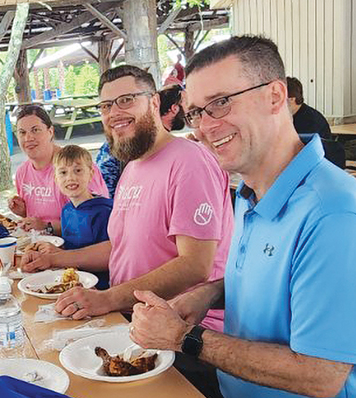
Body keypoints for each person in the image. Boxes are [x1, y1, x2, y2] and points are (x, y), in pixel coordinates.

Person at [132, 36, 356, 398]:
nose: (205, 126)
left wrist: (183, 337)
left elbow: (320, 375)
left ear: (276, 96)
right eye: (196, 112)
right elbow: (278, 276)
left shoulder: (334, 214)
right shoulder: (250, 191)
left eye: (220, 103)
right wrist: (209, 294)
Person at [22, 65, 234, 333]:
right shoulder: (132, 167)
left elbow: (195, 265)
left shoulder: (190, 161)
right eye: (106, 106)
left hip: (183, 330)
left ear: (154, 102)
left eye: (126, 100)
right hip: (130, 318)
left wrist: (108, 298)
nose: (114, 113)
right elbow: (120, 247)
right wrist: (56, 259)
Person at [8, 104, 108, 234]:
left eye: (35, 130)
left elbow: (96, 221)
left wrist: (47, 226)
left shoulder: (77, 167)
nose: (28, 138)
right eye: (22, 132)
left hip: (75, 244)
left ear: (50, 132)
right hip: (37, 242)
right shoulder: (22, 173)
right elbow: (36, 220)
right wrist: (23, 212)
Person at [97, 85, 187, 197]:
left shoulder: (159, 141)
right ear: (174, 109)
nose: (189, 110)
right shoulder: (142, 140)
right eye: (186, 103)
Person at [52, 144, 113, 289]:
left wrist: (58, 257)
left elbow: (108, 259)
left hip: (98, 287)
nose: (71, 178)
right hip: (72, 281)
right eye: (63, 172)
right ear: (55, 179)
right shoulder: (66, 210)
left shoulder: (103, 212)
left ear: (91, 174)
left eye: (78, 170)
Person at [286, 76, 345, 168]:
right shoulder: (293, 115)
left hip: (319, 166)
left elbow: (304, 153)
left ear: (291, 99)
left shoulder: (311, 120)